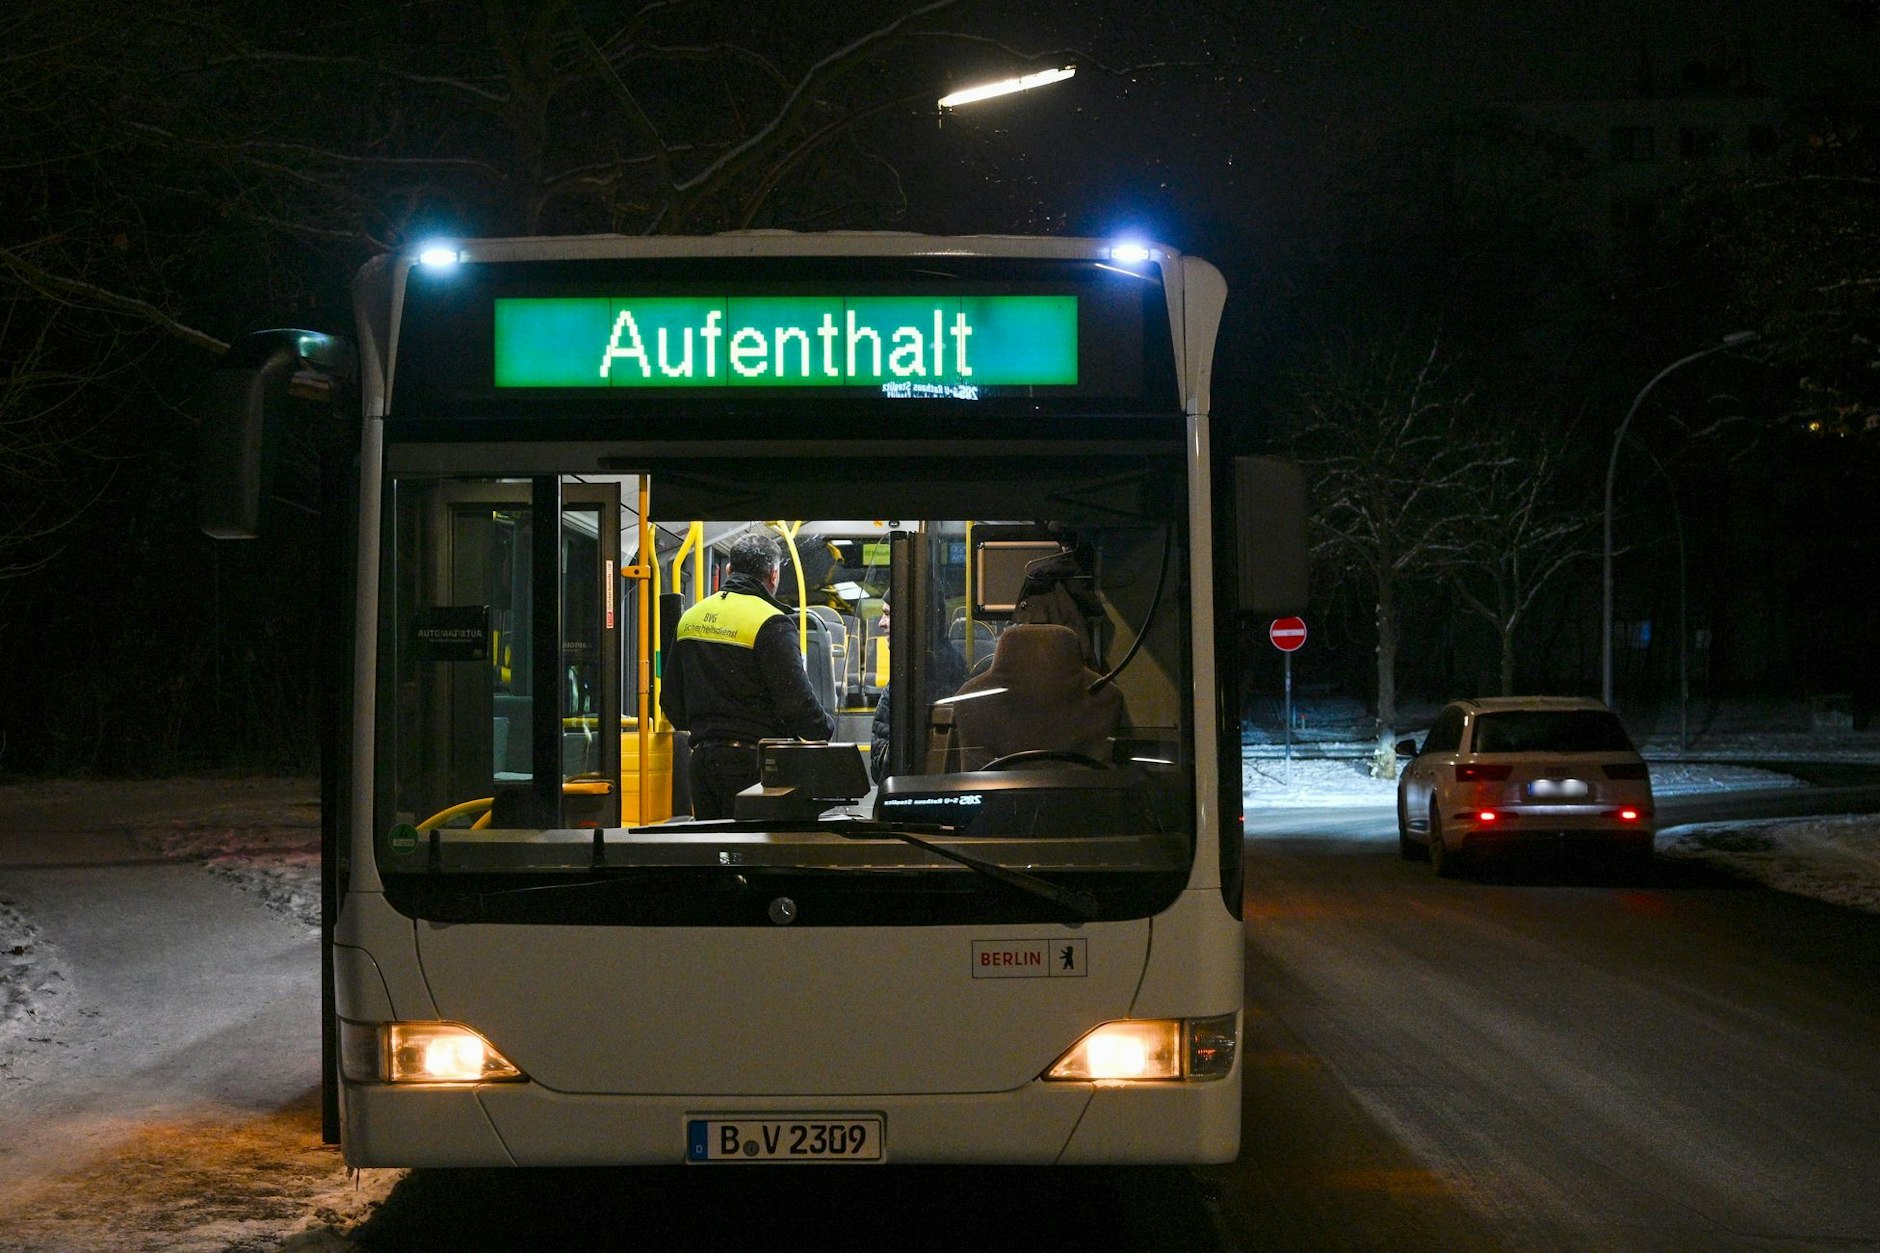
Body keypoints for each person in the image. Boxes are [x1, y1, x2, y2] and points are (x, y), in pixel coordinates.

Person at [661, 532, 835, 818]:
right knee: (754, 852)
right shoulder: (771, 622)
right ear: (774, 575)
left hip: (702, 763)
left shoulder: (690, 618)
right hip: (753, 768)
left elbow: (670, 702)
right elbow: (796, 702)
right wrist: (823, 729)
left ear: (729, 570)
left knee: (713, 851)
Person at [868, 594, 968, 784]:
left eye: (888, 615)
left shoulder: (923, 670)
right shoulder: (925, 661)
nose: (881, 623)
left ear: (910, 619)